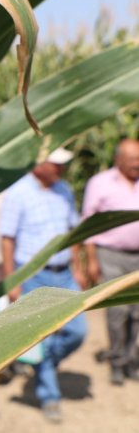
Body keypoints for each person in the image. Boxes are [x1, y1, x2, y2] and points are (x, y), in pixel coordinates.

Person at [0, 147, 87, 424]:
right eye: (56, 163)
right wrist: (11, 279)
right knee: (42, 335)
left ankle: (39, 362)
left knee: (78, 331)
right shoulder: (18, 192)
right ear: (38, 163)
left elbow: (72, 233)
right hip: (33, 275)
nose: (61, 169)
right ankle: (50, 395)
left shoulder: (65, 190)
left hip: (65, 274)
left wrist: (79, 267)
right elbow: (7, 239)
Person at [82, 138, 139, 386]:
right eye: (132, 160)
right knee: (117, 311)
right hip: (111, 255)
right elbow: (88, 224)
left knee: (138, 313)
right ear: (118, 160)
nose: (137, 164)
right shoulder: (100, 183)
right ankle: (116, 361)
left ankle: (131, 360)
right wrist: (91, 261)